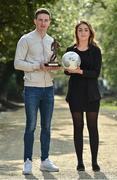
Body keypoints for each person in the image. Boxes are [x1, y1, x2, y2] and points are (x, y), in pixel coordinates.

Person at [14, 8, 60, 174]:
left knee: (47, 127)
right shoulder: (25, 39)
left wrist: (56, 67)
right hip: (32, 88)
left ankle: (45, 160)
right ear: (35, 21)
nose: (43, 23)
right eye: (40, 20)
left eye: (46, 20)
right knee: (31, 126)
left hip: (48, 89)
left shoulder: (52, 41)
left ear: (49, 22)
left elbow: (52, 65)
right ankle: (27, 161)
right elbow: (17, 63)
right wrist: (36, 66)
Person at [64, 20, 102, 172]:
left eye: (86, 29)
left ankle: (94, 162)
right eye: (80, 30)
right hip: (75, 94)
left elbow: (96, 73)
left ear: (90, 32)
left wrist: (80, 71)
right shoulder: (70, 50)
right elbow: (66, 70)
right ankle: (80, 162)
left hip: (92, 94)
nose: (83, 32)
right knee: (77, 128)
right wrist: (70, 70)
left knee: (92, 128)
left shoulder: (95, 50)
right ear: (77, 32)